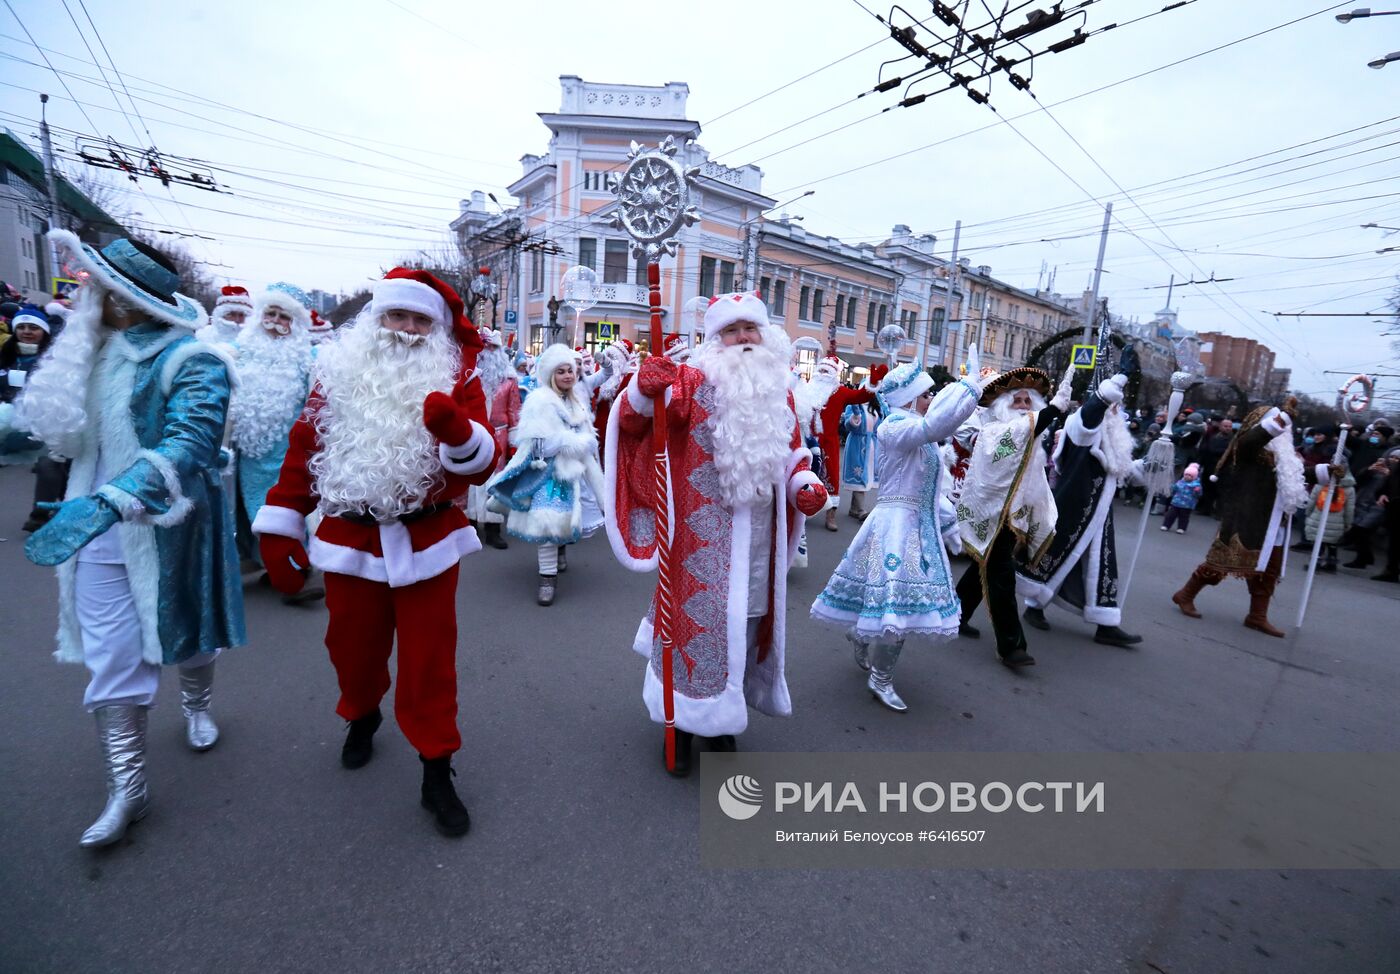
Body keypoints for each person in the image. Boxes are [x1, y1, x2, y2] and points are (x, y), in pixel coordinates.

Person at [252, 268, 498, 837]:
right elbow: (303, 449)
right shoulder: (337, 374)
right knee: (352, 648)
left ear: (434, 330)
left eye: (420, 320)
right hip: (352, 537)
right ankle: (361, 713)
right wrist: (282, 522)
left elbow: (486, 459)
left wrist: (460, 436)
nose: (408, 330)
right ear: (376, 320)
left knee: (429, 662)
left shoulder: (459, 378)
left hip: (428, 538)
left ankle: (436, 768)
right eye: (397, 316)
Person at [20, 231, 243, 848]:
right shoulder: (87, 353)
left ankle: (196, 706)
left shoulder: (193, 360)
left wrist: (119, 497)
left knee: (188, 637)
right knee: (114, 660)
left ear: (130, 298)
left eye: (103, 287)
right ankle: (128, 789)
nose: (91, 296)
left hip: (168, 531)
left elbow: (192, 439)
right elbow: (44, 426)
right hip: (91, 537)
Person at [604, 291, 827, 775]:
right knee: (693, 632)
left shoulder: (780, 391)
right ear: (714, 338)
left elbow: (793, 455)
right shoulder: (692, 381)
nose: (743, 339)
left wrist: (803, 485)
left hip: (759, 546)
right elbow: (633, 421)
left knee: (742, 633)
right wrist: (644, 388)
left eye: (750, 329)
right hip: (698, 542)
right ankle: (681, 726)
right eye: (732, 330)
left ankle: (723, 721)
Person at [811, 358, 982, 711]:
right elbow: (936, 426)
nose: (931, 398)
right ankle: (881, 677)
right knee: (896, 609)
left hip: (918, 528)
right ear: (908, 398)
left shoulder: (920, 432)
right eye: (926, 393)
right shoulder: (895, 427)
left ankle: (861, 633)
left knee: (895, 606)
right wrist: (969, 388)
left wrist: (951, 529)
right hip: (894, 529)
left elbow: (931, 490)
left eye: (932, 393)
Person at [954, 364, 1073, 667]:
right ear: (1004, 405)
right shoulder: (994, 432)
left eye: (1027, 401)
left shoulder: (1030, 433)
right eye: (1016, 401)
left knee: (984, 563)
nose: (1022, 407)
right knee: (1001, 575)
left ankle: (954, 614)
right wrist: (1053, 410)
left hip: (1011, 515)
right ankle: (1011, 646)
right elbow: (1011, 441)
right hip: (990, 513)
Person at [1017, 369, 1144, 648]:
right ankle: (1034, 606)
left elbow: (1116, 469)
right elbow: (1089, 419)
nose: (1117, 409)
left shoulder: (1111, 431)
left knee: (1101, 564)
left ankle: (1106, 623)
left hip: (1099, 511)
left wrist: (1148, 466)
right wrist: (1116, 382)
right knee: (1058, 555)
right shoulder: (1080, 422)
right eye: (1113, 403)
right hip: (1075, 505)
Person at [1171, 400, 1307, 637]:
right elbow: (1250, 441)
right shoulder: (1249, 448)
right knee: (1221, 562)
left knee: (1269, 571)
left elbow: (1293, 476)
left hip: (1276, 521)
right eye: (1277, 424)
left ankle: (1257, 616)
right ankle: (1186, 594)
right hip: (1247, 516)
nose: (1285, 430)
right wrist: (1280, 420)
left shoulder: (1284, 453)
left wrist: (1327, 470)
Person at [487, 343, 606, 606]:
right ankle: (546, 579)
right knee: (547, 525)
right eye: (561, 371)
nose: (567, 375)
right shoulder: (539, 400)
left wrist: (598, 481)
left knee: (566, 522)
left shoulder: (578, 403)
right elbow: (539, 444)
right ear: (551, 374)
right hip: (547, 476)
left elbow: (589, 444)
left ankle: (561, 551)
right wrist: (573, 442)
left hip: (573, 473)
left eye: (571, 371)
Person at [229, 283, 321, 602]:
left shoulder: (306, 359)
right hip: (245, 452)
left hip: (285, 453)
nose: (275, 321)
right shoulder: (239, 351)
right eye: (271, 313)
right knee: (248, 511)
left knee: (280, 511)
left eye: (284, 317)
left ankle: (296, 571)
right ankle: (269, 565)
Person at [798, 353, 877, 531]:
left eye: (828, 370)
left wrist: (872, 383)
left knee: (831, 476)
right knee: (804, 475)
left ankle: (831, 514)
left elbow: (860, 396)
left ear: (834, 374)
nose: (824, 373)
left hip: (830, 441)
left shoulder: (840, 391)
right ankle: (801, 510)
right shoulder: (807, 389)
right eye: (822, 369)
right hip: (808, 440)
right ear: (817, 371)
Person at [465, 328, 517, 549]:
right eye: (484, 347)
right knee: (470, 479)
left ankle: (493, 529)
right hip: (473, 433)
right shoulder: (469, 377)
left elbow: (515, 410)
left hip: (499, 435)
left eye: (492, 348)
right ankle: (470, 523)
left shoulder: (509, 380)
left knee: (494, 481)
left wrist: (515, 441)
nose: (488, 352)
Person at [839, 369, 885, 521]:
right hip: (858, 443)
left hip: (872, 444)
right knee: (859, 475)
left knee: (868, 474)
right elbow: (848, 425)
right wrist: (855, 417)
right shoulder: (853, 405)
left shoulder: (876, 407)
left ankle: (854, 508)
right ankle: (859, 509)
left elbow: (880, 426)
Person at [1303, 460, 1354, 573]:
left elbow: (1312, 500)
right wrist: (1347, 523)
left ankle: (1315, 562)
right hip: (1337, 522)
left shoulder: (1321, 482)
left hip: (1318, 518)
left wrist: (1308, 513)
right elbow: (1349, 509)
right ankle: (1331, 563)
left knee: (1318, 543)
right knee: (1332, 544)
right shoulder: (1349, 488)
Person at [1195, 417, 1234, 516]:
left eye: (1229, 426)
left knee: (1220, 491)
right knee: (1207, 488)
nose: (1228, 428)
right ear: (1220, 426)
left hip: (1223, 469)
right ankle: (1206, 509)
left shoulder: (1233, 440)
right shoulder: (1214, 437)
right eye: (1225, 426)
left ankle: (1219, 512)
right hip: (1209, 466)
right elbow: (1206, 450)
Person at [1162, 462, 1203, 534]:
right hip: (1176, 502)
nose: (1187, 476)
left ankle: (1181, 528)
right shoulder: (1180, 482)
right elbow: (1175, 489)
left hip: (1187, 505)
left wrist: (1197, 491)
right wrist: (1173, 487)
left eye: (1190, 475)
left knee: (1184, 517)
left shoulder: (1196, 485)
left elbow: (1198, 495)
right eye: (1186, 474)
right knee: (1170, 515)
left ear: (1194, 477)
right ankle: (1166, 525)